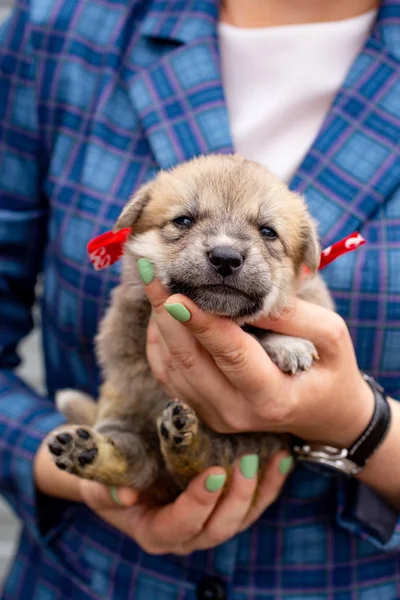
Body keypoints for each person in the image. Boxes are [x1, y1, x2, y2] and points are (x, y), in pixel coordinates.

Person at [1, 0, 400, 597]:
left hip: (329, 581)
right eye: (184, 222)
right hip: (92, 578)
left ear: (304, 257)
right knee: (124, 436)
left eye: (267, 236)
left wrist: (360, 424)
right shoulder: (63, 25)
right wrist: (61, 468)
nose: (224, 251)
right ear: (133, 222)